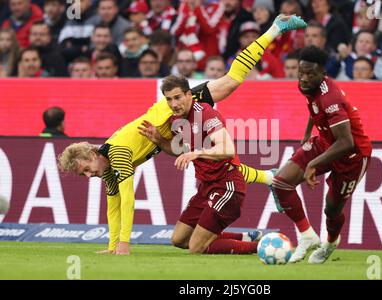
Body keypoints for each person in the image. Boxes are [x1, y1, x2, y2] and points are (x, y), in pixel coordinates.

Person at [58, 14, 308, 256]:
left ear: (92, 152)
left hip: (169, 110)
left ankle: (275, 28)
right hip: (170, 124)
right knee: (208, 164)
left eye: (87, 168)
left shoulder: (122, 150)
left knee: (231, 82)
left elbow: (127, 200)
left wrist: (124, 244)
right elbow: (113, 205)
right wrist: (113, 246)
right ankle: (268, 178)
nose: (89, 175)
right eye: (84, 174)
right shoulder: (109, 164)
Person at [270, 45, 372, 264]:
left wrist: (312, 164)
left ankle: (330, 242)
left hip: (351, 156)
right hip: (325, 143)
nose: (304, 78)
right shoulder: (308, 86)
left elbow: (346, 142)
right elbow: (314, 109)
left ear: (323, 74)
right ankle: (307, 236)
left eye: (310, 74)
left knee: (331, 209)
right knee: (281, 182)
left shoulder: (331, 99)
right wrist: (308, 132)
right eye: (301, 72)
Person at [139, 75, 258, 255]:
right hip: (207, 187)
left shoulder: (205, 113)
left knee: (196, 247)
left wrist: (197, 152)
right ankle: (246, 238)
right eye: (168, 99)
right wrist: (160, 140)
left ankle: (262, 246)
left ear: (189, 95)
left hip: (227, 185)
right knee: (179, 239)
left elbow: (227, 149)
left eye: (177, 97)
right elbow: (178, 150)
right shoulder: (176, 121)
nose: (173, 104)